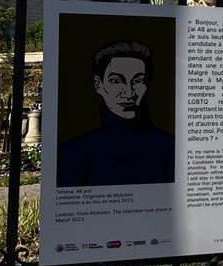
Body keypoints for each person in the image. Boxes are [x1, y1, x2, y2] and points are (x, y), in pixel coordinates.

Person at [57, 40, 174, 187]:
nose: (129, 93)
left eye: (137, 81)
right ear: (98, 85)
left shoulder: (168, 147)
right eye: (116, 81)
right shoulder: (75, 151)